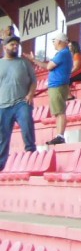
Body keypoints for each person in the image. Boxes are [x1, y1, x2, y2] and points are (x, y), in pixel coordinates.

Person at [28, 33, 72, 145]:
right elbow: (48, 66)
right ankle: (59, 135)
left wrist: (35, 60)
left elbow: (49, 66)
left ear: (60, 41)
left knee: (60, 111)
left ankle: (60, 136)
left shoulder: (62, 53)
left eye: (54, 40)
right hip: (57, 85)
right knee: (58, 112)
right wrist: (34, 60)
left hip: (58, 85)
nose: (53, 43)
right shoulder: (64, 53)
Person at [0, 36, 36, 170]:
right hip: (3, 105)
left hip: (22, 102)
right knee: (2, 136)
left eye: (17, 45)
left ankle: (32, 154)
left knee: (27, 126)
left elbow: (33, 80)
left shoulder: (24, 63)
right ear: (4, 47)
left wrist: (30, 94)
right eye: (12, 45)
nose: (15, 47)